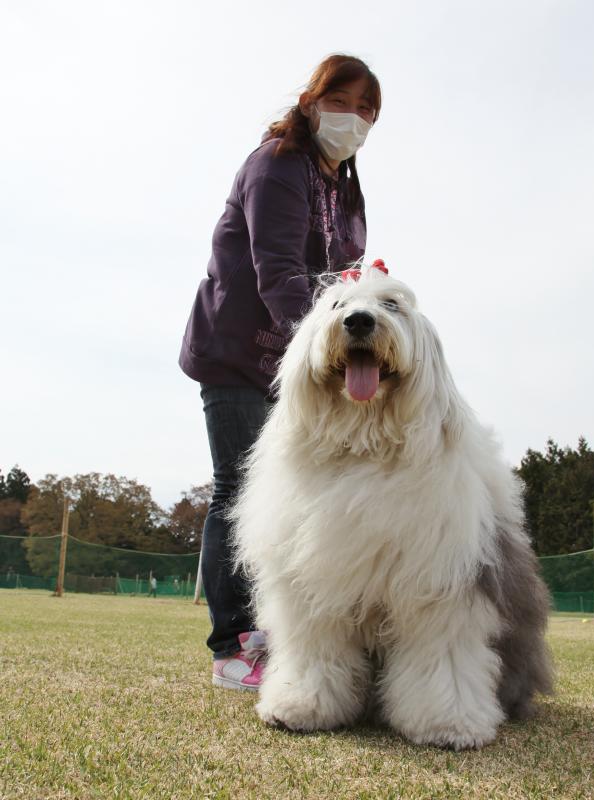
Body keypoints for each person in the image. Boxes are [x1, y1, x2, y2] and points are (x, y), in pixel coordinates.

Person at [179, 54, 381, 690]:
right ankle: (234, 647)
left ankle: (287, 633)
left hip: (303, 366)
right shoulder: (277, 165)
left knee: (298, 497)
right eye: (341, 102)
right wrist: (332, 347)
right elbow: (279, 273)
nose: (354, 118)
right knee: (239, 492)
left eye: (367, 110)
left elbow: (343, 278)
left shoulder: (343, 186)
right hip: (243, 352)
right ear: (312, 101)